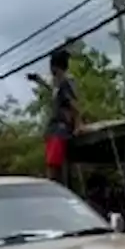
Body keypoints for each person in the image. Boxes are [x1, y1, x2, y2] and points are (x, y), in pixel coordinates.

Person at [28, 48, 81, 185]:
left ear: (54, 67)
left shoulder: (66, 82)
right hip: (55, 128)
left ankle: (52, 187)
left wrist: (77, 126)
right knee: (52, 163)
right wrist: (39, 81)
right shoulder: (59, 83)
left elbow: (74, 105)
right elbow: (55, 93)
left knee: (53, 166)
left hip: (60, 128)